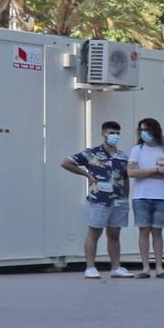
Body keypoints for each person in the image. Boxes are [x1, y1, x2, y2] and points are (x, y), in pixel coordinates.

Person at [61, 119, 132, 278]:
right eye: (111, 133)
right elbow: (66, 162)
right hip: (99, 199)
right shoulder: (91, 153)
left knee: (114, 234)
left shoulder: (123, 156)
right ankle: (90, 267)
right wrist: (87, 175)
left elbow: (125, 178)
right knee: (94, 232)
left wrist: (126, 198)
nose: (114, 136)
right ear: (103, 133)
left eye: (117, 133)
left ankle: (116, 267)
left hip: (119, 200)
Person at [127, 117, 164, 279]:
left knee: (157, 231)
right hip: (140, 196)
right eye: (141, 130)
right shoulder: (137, 149)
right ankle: (145, 267)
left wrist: (144, 172)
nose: (144, 133)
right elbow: (131, 172)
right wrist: (156, 170)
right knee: (143, 230)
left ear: (155, 130)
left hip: (160, 196)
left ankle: (159, 267)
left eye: (146, 130)